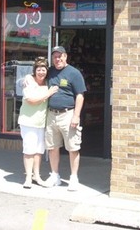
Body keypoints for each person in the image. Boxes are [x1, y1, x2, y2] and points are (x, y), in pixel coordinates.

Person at [44, 46, 87, 191]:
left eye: (60, 56)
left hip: (68, 114)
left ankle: (74, 178)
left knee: (72, 147)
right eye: (55, 56)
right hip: (51, 114)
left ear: (65, 56)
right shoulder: (49, 71)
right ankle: (55, 176)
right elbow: (37, 77)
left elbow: (80, 95)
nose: (57, 59)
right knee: (52, 147)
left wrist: (76, 115)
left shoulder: (74, 73)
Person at [17, 57, 58, 189]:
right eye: (39, 69)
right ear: (34, 71)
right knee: (29, 150)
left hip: (41, 122)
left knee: (39, 151)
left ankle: (37, 176)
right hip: (28, 121)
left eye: (43, 69)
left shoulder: (47, 82)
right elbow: (31, 100)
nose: (41, 72)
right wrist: (49, 93)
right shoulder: (29, 81)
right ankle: (28, 177)